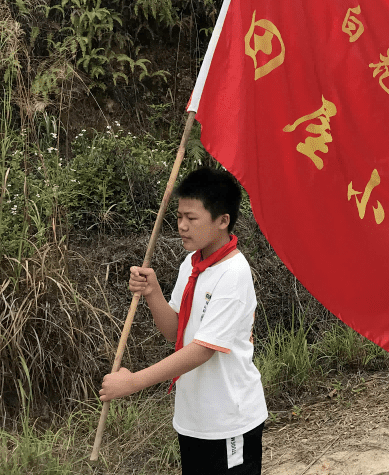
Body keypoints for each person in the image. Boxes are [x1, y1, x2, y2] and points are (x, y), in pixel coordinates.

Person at [100, 168, 268, 474]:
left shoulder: (233, 274)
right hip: (194, 419)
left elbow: (203, 349)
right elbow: (176, 331)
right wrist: (152, 293)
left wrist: (134, 381)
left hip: (229, 421)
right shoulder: (193, 263)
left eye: (192, 218)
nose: (182, 226)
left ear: (222, 221)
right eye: (179, 217)